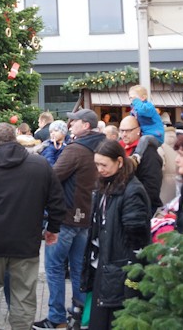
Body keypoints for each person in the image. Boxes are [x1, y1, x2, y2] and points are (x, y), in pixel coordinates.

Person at [0, 123, 66, 330]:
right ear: (15, 138)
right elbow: (57, 201)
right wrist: (53, 228)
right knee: (23, 293)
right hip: (26, 241)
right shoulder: (39, 165)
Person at [34, 110, 106, 329]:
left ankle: (57, 318)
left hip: (66, 217)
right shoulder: (102, 146)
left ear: (86, 125)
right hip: (86, 216)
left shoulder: (76, 149)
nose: (70, 124)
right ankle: (81, 315)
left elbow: (53, 175)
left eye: (74, 121)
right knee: (78, 268)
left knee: (54, 268)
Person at [80, 140, 151, 330]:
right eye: (97, 164)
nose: (99, 169)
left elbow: (138, 239)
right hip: (104, 266)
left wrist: (132, 277)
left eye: (104, 165)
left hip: (119, 271)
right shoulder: (106, 185)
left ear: (119, 162)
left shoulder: (132, 191)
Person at [117, 116, 163, 216]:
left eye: (128, 131)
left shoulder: (149, 153)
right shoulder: (118, 148)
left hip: (140, 208)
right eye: (121, 131)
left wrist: (135, 202)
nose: (124, 134)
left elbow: (152, 186)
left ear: (138, 130)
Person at [127, 85, 164, 162]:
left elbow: (143, 111)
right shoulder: (134, 110)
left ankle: (136, 156)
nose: (132, 100)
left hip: (156, 136)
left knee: (145, 138)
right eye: (130, 98)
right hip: (143, 135)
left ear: (143, 98)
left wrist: (136, 102)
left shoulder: (149, 107)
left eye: (134, 98)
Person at [160, 126, 179, 206]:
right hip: (178, 181)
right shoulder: (179, 148)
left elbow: (161, 166)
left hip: (164, 182)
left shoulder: (161, 147)